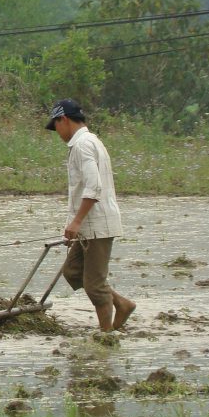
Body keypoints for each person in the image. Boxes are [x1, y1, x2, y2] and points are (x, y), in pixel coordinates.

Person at [45, 98, 135, 332]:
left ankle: (106, 336)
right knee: (73, 272)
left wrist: (75, 222)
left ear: (63, 119)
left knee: (94, 286)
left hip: (97, 225)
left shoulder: (84, 144)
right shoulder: (88, 142)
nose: (57, 132)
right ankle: (121, 304)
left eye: (55, 126)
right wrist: (73, 225)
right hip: (88, 224)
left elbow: (93, 188)